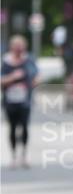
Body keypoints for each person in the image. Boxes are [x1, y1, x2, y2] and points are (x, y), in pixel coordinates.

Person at [1, 34, 39, 168]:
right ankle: (13, 156)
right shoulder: (5, 62)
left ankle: (24, 155)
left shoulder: (29, 61)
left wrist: (34, 83)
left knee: (24, 127)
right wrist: (13, 77)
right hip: (10, 101)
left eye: (21, 46)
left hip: (25, 100)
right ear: (11, 47)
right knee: (12, 128)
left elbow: (37, 76)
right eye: (16, 46)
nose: (19, 49)